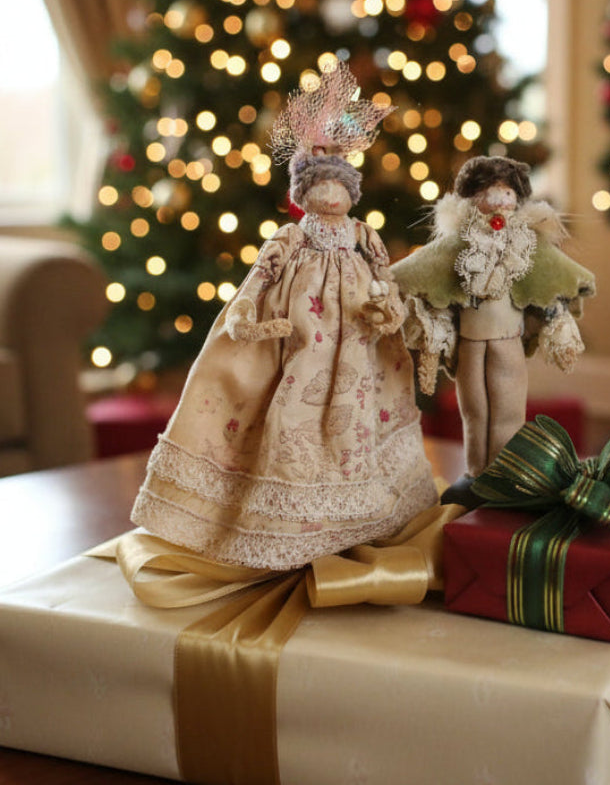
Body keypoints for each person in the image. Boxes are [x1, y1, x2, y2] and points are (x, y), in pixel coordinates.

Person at [130, 65, 438, 570]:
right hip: (301, 335)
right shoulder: (292, 237)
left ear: (351, 191)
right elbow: (260, 276)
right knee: (292, 401)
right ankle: (285, 522)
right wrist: (247, 309)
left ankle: (367, 511)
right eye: (320, 185)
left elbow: (385, 280)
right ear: (304, 192)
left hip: (359, 336)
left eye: (339, 186)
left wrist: (391, 310)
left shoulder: (364, 235)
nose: (330, 195)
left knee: (360, 406)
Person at [391, 156, 595, 504]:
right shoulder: (457, 243)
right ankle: (476, 473)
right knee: (474, 408)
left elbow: (558, 270)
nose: (499, 200)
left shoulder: (527, 245)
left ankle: (503, 471)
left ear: (518, 197)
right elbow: (418, 266)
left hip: (507, 343)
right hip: (470, 344)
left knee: (508, 407)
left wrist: (577, 285)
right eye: (489, 192)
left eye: (506, 191)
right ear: (471, 198)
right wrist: (387, 280)